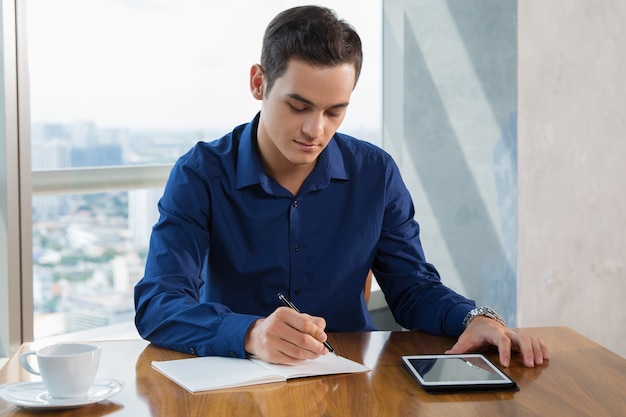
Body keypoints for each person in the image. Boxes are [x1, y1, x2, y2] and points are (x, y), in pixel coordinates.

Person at [134, 5, 549, 368]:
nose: (316, 130)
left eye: (335, 111)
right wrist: (251, 334)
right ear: (259, 83)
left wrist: (473, 318)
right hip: (234, 382)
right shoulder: (201, 173)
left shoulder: (375, 173)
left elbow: (412, 288)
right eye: (298, 107)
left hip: (349, 379)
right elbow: (159, 303)